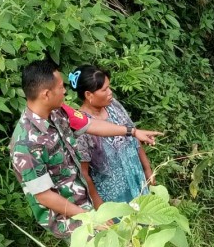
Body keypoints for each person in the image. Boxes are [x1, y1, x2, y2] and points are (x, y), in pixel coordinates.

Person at [10, 58, 160, 237]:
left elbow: (91, 125)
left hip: (85, 200)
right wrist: (91, 217)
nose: (65, 90)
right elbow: (44, 196)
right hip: (70, 217)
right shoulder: (25, 144)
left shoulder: (59, 111)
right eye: (60, 87)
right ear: (45, 94)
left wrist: (133, 132)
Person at [69, 65, 153, 207]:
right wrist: (101, 208)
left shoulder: (113, 105)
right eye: (104, 89)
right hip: (114, 198)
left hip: (137, 180)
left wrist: (147, 169)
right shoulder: (82, 127)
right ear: (89, 95)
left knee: (147, 218)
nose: (110, 92)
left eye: (109, 87)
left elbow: (134, 135)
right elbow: (84, 174)